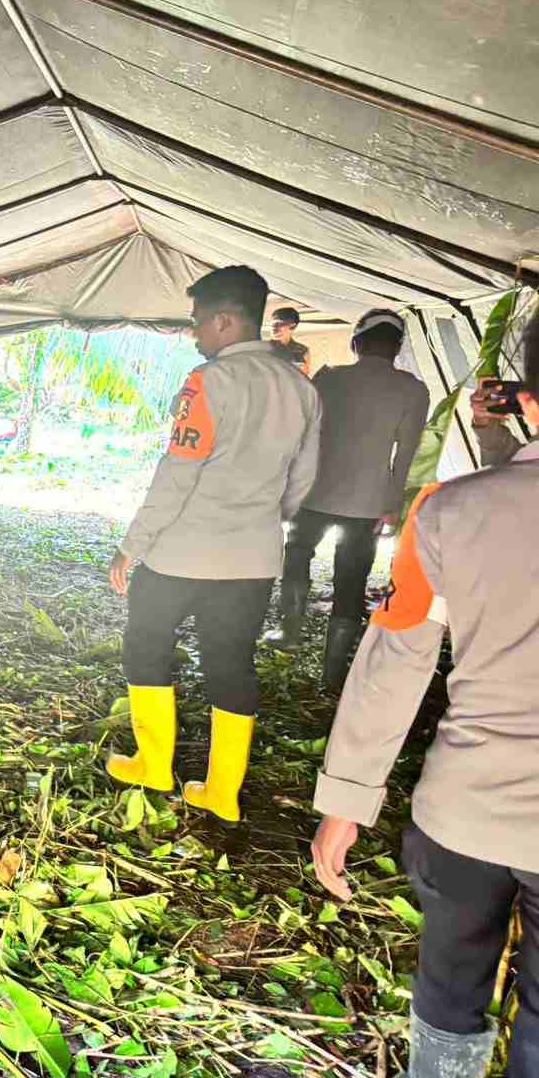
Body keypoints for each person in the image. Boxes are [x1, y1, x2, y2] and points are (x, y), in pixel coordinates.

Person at [309, 312, 539, 1078]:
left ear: (524, 401)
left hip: (466, 812)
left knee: (451, 973)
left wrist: (346, 800)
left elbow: (395, 661)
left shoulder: (448, 512)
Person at [106, 266, 322, 822]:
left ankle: (153, 764)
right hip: (252, 558)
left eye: (198, 322)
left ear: (225, 320)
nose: (194, 334)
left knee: (147, 645)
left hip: (181, 552)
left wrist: (132, 544)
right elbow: (303, 478)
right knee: (232, 664)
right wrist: (261, 518)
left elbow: (178, 472)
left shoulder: (208, 381)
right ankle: (222, 792)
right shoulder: (302, 388)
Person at [265, 309, 429, 693]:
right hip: (368, 501)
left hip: (315, 491)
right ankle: (334, 674)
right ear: (398, 348)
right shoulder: (413, 391)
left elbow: (302, 435)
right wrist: (393, 504)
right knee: (352, 580)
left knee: (297, 554)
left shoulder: (329, 379)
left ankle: (290, 632)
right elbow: (405, 455)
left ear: (356, 344)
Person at [268, 306, 312, 376]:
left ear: (293, 326)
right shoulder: (264, 348)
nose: (274, 327)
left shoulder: (303, 351)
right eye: (272, 323)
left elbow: (304, 376)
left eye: (279, 323)